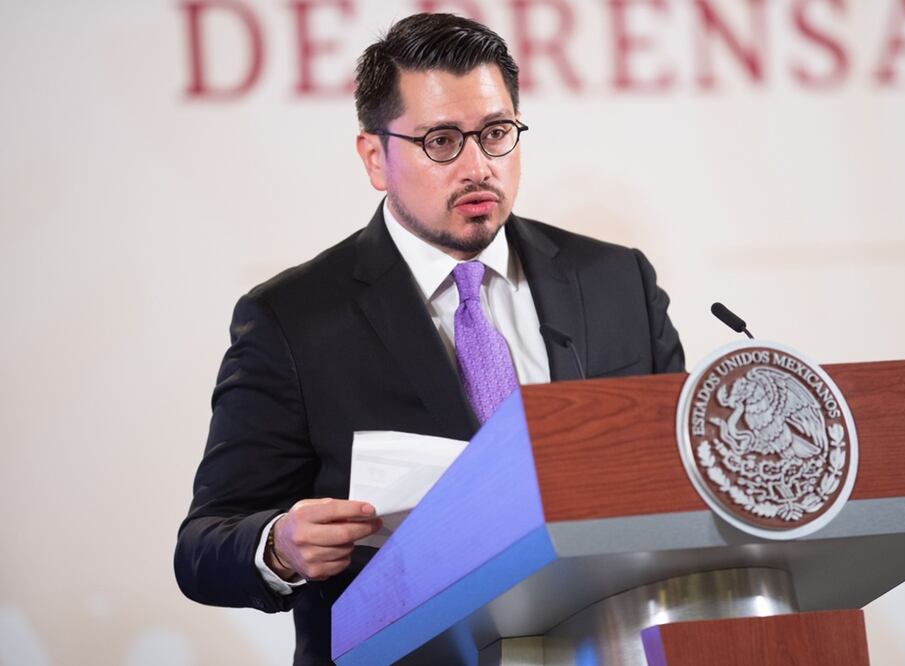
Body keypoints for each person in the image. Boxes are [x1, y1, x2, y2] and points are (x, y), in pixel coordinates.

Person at [174, 12, 684, 665]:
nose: (479, 166)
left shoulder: (617, 282)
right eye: (442, 141)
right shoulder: (292, 320)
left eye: (497, 134)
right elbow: (201, 548)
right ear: (374, 157)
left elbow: (675, 480)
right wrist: (278, 544)